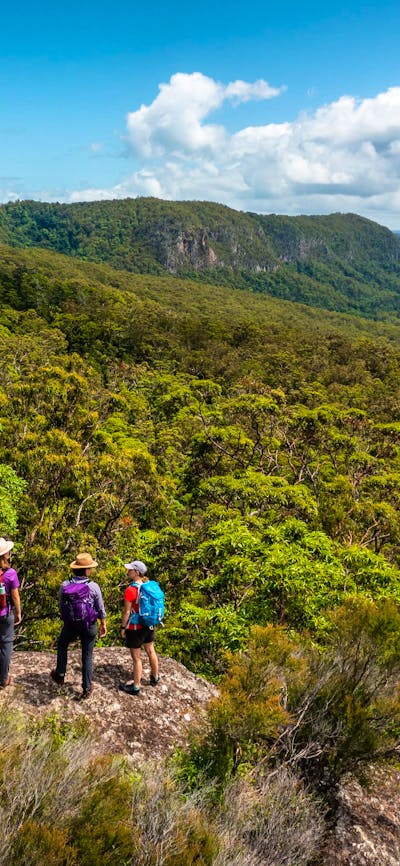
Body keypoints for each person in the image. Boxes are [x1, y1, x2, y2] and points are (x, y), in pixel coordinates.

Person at [50, 552, 107, 699]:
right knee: (87, 655)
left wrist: (67, 619)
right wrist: (103, 624)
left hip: (71, 624)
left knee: (62, 644)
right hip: (89, 625)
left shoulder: (65, 585)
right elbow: (100, 608)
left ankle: (60, 674)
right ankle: (87, 687)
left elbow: (61, 605)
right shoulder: (93, 586)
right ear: (87, 570)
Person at [119, 559, 159, 696]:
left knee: (136, 658)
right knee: (150, 650)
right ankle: (155, 677)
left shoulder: (131, 590)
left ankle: (136, 686)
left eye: (130, 570)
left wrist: (123, 628)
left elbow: (126, 612)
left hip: (135, 626)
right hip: (149, 624)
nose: (127, 572)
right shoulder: (149, 585)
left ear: (136, 572)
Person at [0, 537, 21, 689]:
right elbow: (15, 596)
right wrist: (18, 613)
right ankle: (3, 679)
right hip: (5, 613)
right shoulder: (10, 573)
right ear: (5, 555)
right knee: (6, 645)